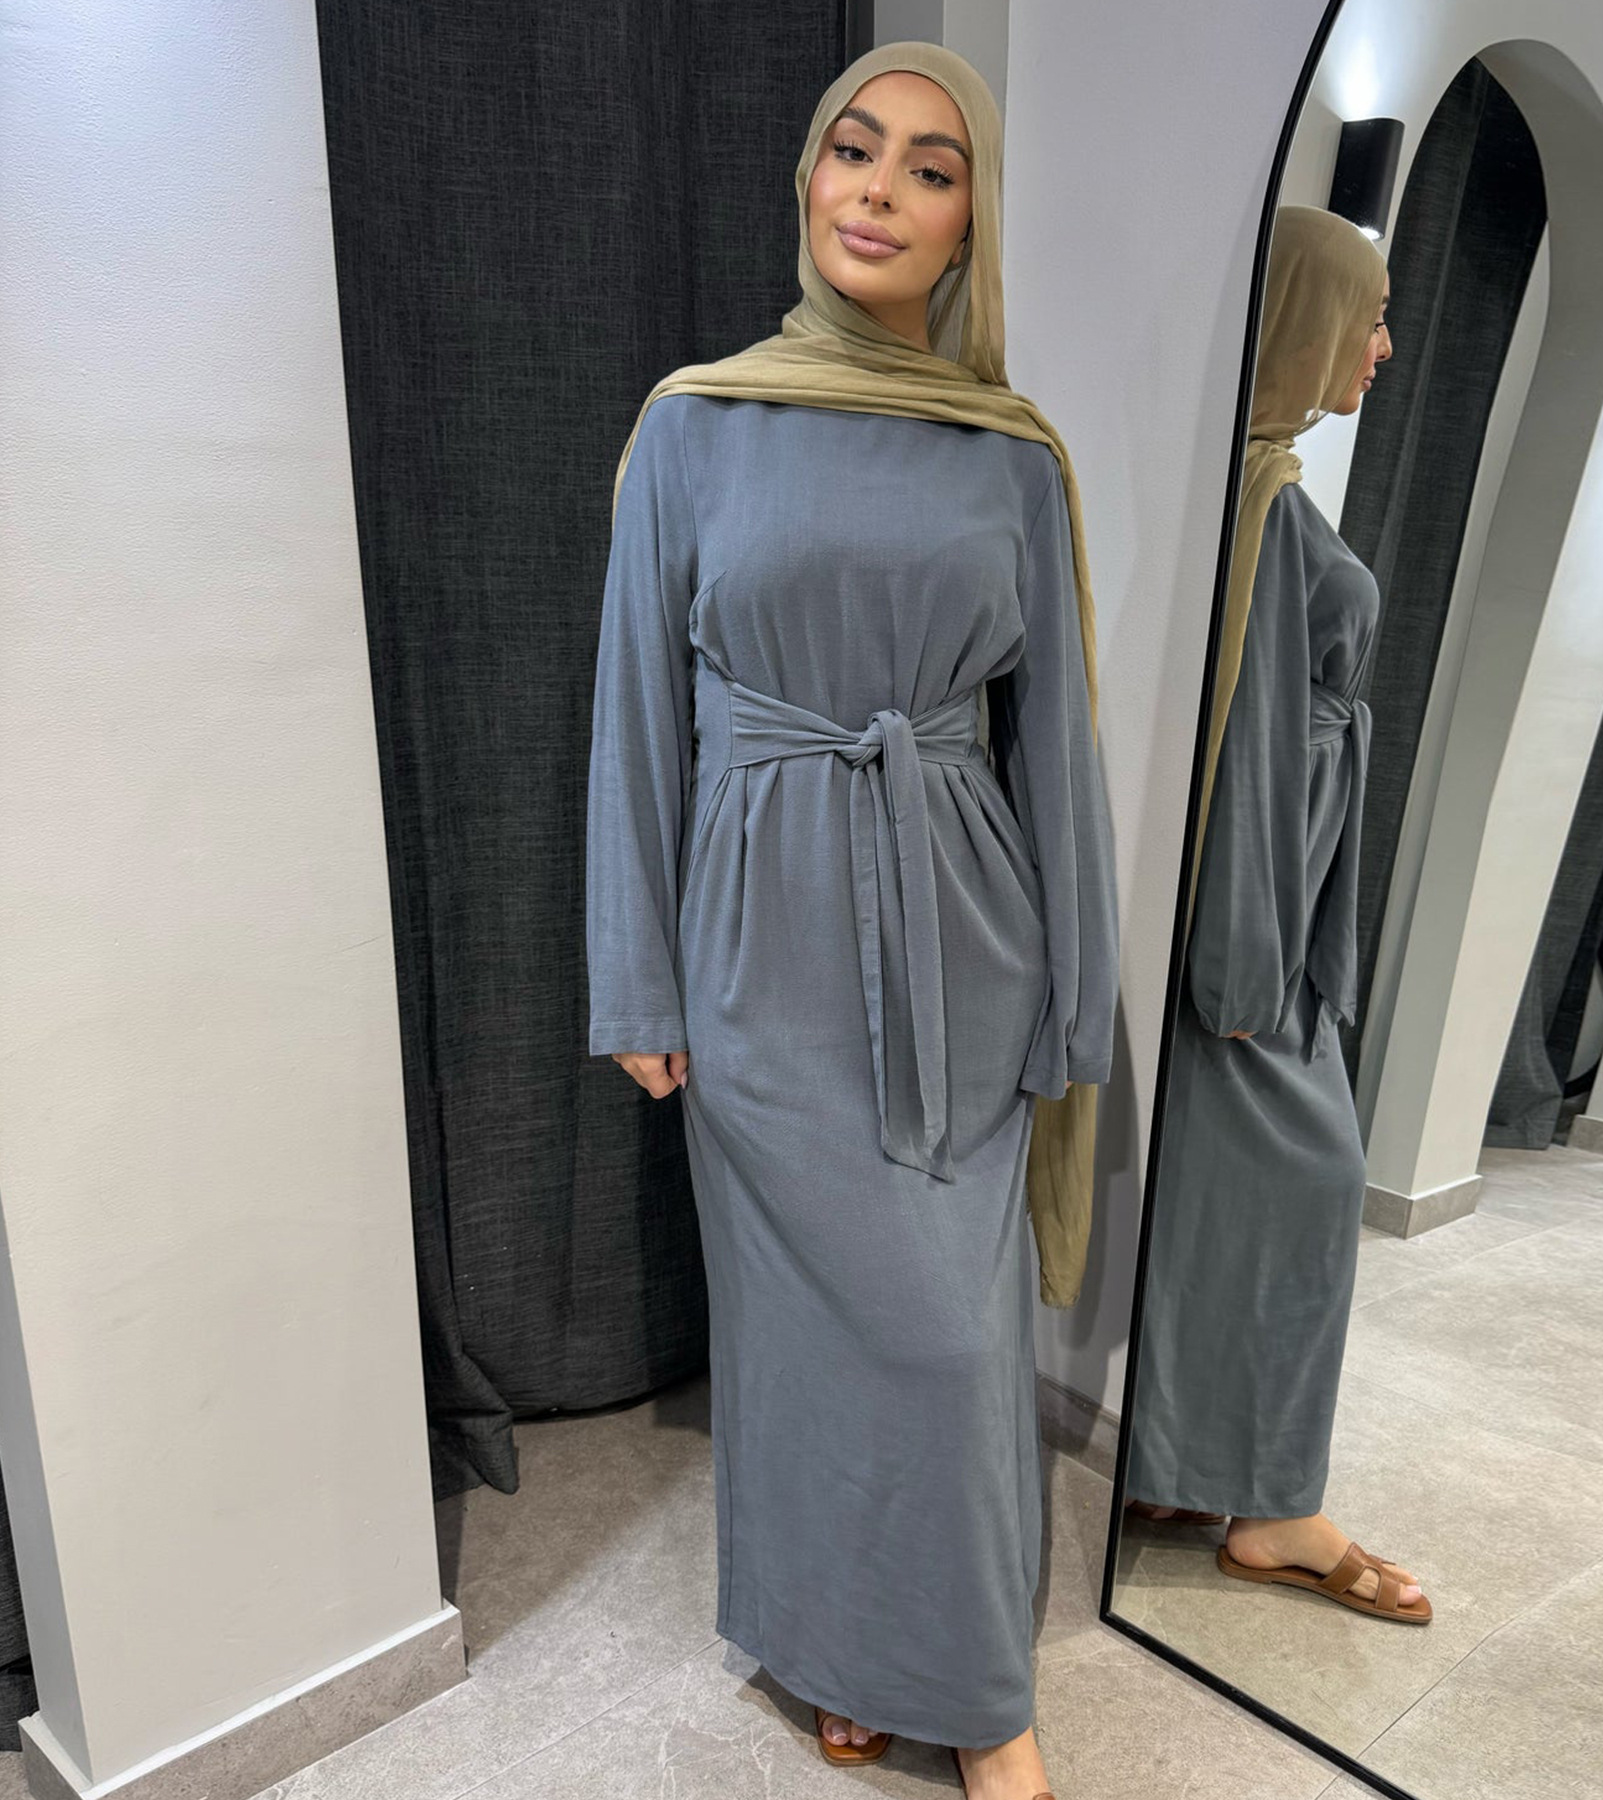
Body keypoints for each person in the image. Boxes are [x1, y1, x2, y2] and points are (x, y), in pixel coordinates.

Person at [585, 43, 1118, 1799]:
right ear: (810, 179)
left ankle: (980, 1694)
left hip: (963, 925)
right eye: (854, 149)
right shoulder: (692, 423)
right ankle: (834, 1637)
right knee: (805, 1330)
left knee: (951, 1334)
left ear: (970, 225)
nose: (881, 189)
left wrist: (1079, 991)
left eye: (931, 168)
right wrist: (636, 981)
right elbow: (636, 719)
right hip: (758, 936)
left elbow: (1058, 750)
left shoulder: (1010, 454)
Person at [1123, 205, 1431, 1625]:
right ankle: (1278, 1513)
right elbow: (1241, 746)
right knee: (1312, 1182)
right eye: (1367, 313)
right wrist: (1250, 962)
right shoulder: (1252, 501)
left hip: (1279, 900)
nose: (1383, 345)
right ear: (1304, 316)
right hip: (1251, 931)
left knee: (1222, 1208)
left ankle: (1193, 1469)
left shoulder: (1264, 487)